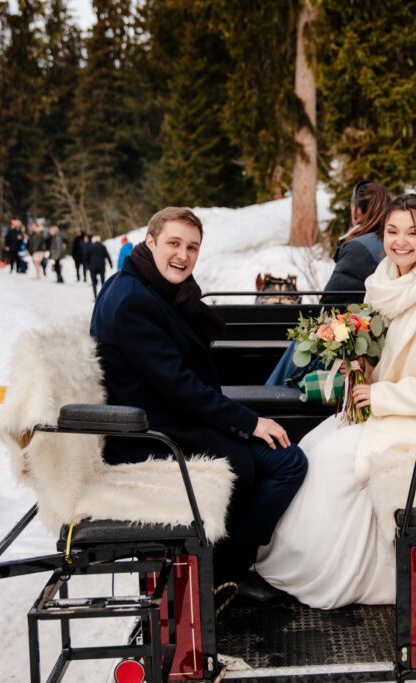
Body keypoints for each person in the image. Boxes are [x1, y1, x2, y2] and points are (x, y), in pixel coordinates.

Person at [257, 194, 416, 609]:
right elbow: (395, 354)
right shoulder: (388, 281)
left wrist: (381, 395)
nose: (401, 242)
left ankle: (325, 574)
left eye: (413, 232)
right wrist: (360, 366)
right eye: (393, 232)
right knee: (313, 444)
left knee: (334, 462)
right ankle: (290, 557)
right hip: (395, 405)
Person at [90, 206, 307, 591]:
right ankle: (229, 570)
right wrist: (250, 421)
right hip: (151, 432)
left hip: (167, 414)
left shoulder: (141, 285)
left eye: (192, 247)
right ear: (150, 242)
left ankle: (230, 564)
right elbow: (179, 386)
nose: (183, 255)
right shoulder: (133, 302)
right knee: (285, 463)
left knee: (275, 452)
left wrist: (241, 418)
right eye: (173, 243)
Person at [265, 182, 390, 385]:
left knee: (302, 346)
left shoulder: (358, 249)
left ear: (357, 211)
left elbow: (329, 307)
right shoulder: (385, 245)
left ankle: (266, 401)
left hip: (355, 341)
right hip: (372, 336)